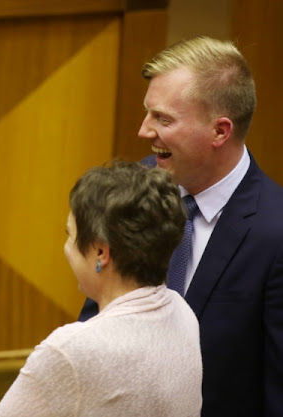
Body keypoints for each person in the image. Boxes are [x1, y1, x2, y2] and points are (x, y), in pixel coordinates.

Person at [78, 36, 283, 416]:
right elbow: (98, 317)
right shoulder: (135, 188)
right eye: (147, 113)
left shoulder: (275, 232)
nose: (144, 131)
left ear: (220, 132)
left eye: (163, 119)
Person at [0, 161, 202, 416]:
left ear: (100, 252)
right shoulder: (182, 311)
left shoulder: (71, 352)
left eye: (70, 235)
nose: (67, 248)